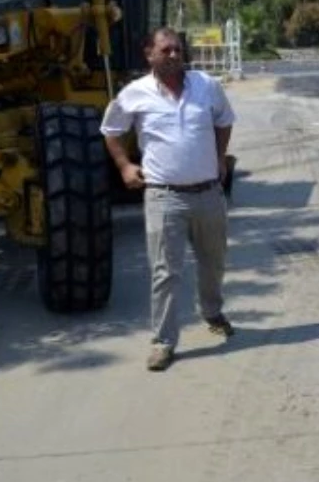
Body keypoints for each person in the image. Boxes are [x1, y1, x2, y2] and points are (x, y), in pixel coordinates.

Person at [101, 27, 237, 372]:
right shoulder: (135, 93)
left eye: (178, 49)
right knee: (165, 273)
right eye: (166, 50)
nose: (174, 55)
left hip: (208, 193)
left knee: (214, 261)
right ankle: (163, 342)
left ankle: (212, 311)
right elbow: (111, 130)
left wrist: (220, 158)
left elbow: (224, 120)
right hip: (164, 197)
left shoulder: (207, 85)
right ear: (149, 54)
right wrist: (124, 166)